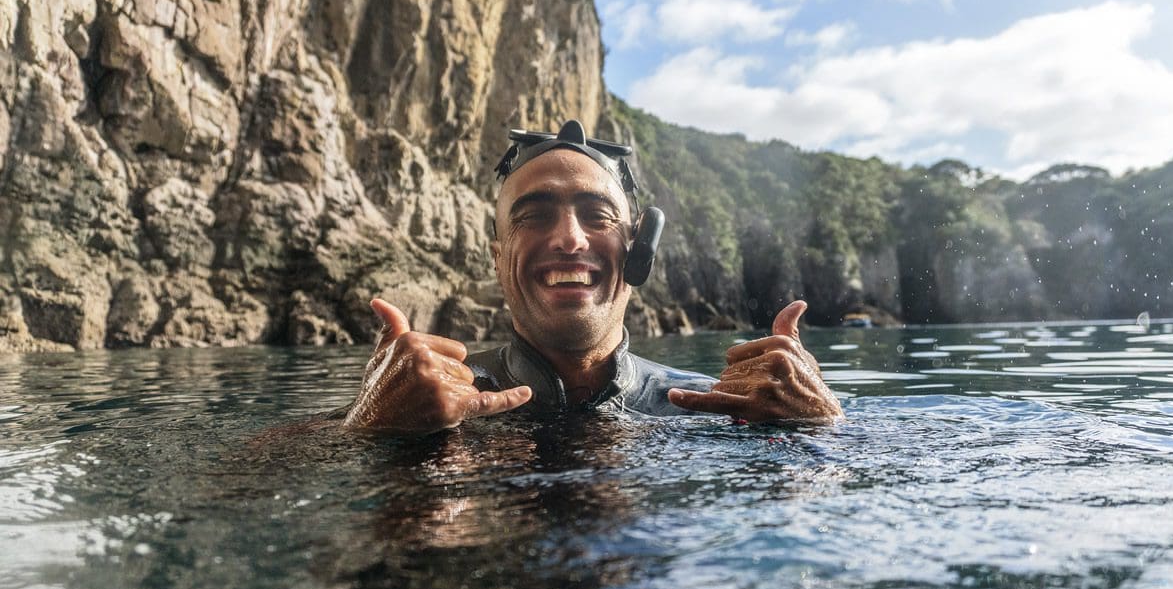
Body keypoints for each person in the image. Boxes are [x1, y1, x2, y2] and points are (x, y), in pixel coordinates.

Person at [340, 121, 843, 433]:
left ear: (638, 251)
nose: (570, 239)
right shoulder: (420, 402)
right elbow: (263, 479)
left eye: (597, 215)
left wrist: (820, 421)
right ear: (498, 256)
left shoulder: (712, 407)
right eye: (533, 216)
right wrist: (370, 427)